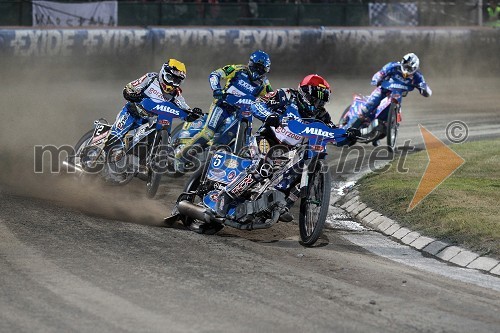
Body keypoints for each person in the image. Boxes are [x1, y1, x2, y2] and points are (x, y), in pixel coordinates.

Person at [189, 74, 358, 234]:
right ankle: (225, 196)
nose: (317, 102)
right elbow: (257, 104)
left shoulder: (322, 115)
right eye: (314, 97)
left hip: (290, 151)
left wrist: (348, 136)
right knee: (265, 165)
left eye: (321, 99)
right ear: (304, 92)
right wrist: (269, 115)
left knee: (302, 168)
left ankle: (280, 203)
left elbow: (332, 132)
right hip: (267, 138)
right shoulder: (285, 95)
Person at [174, 50, 273, 171]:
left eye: (263, 69)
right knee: (208, 133)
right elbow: (215, 74)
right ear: (252, 65)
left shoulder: (264, 84)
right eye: (258, 68)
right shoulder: (237, 69)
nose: (259, 72)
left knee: (246, 140)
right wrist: (216, 89)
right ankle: (180, 157)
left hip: (241, 113)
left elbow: (271, 97)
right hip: (223, 105)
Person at [107, 58, 202, 151]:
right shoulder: (151, 78)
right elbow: (130, 87)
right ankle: (101, 151)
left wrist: (193, 114)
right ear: (163, 73)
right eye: (170, 78)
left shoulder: (176, 94)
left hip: (149, 122)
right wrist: (130, 94)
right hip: (132, 113)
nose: (172, 83)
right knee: (114, 138)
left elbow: (184, 108)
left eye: (176, 81)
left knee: (151, 138)